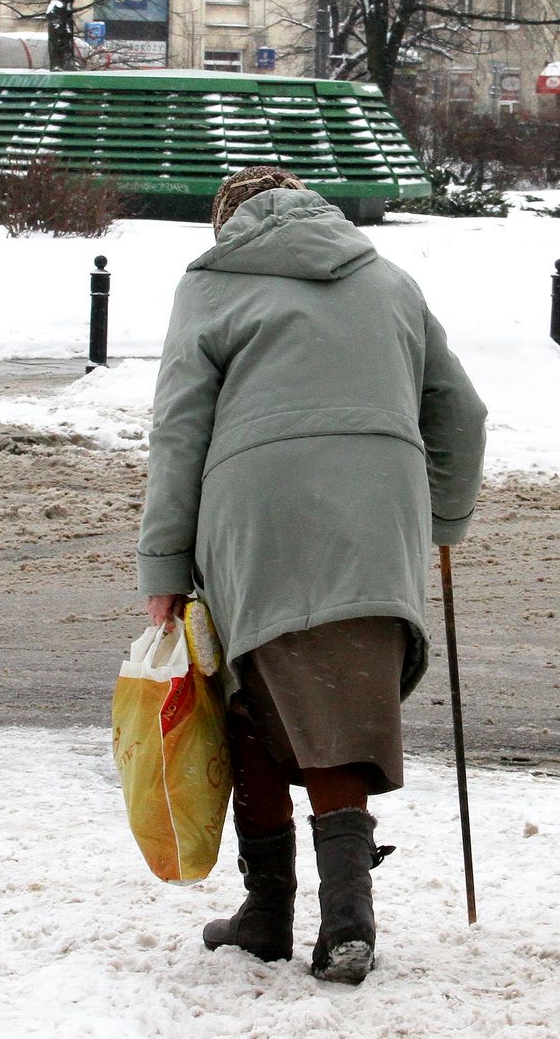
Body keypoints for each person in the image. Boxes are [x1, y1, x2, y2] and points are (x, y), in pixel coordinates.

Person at [137, 166, 486, 984]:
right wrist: (441, 519)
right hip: (377, 520)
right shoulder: (388, 279)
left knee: (248, 699)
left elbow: (178, 432)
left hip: (257, 519)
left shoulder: (213, 283)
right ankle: (345, 921)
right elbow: (461, 414)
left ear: (227, 222)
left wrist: (163, 566)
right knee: (340, 701)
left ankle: (270, 911)